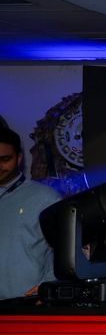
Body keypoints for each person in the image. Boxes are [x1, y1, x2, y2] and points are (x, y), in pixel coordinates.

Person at [0, 127, 61, 299]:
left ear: (19, 158)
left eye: (5, 159)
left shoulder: (45, 198)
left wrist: (48, 286)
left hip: (24, 305)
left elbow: (66, 251)